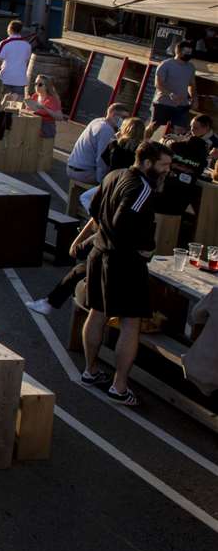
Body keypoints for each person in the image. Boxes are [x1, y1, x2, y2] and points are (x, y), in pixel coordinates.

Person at [78, 141, 172, 407]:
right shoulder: (142, 188)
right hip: (124, 262)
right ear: (147, 163)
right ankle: (119, 387)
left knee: (96, 312)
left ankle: (91, 371)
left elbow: (94, 210)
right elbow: (123, 222)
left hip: (100, 254)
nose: (167, 170)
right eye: (163, 165)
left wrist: (101, 238)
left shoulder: (113, 175)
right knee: (131, 323)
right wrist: (143, 248)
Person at [67, 103, 129, 188]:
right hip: (83, 172)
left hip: (72, 167)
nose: (125, 121)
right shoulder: (106, 130)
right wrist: (102, 183)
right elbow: (102, 160)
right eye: (124, 118)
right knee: (115, 184)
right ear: (113, 114)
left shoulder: (98, 121)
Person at [152, 40, 199, 129]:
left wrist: (194, 98)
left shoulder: (191, 67)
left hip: (182, 104)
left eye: (190, 52)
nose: (189, 54)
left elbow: (192, 85)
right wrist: (170, 94)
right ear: (178, 51)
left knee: (180, 130)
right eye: (186, 52)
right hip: (163, 103)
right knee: (154, 126)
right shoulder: (165, 64)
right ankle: (144, 141)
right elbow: (158, 84)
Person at [0, 20, 34, 95]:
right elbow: (26, 63)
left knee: (0, 103)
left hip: (5, 79)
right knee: (17, 105)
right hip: (20, 80)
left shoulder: (4, 43)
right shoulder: (27, 45)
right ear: (20, 30)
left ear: (9, 29)